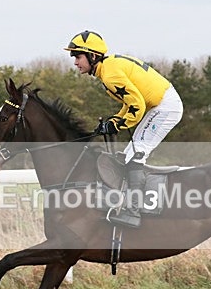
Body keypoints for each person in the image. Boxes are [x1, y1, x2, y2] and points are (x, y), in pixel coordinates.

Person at [64, 30, 184, 228]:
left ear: (92, 56)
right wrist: (113, 121)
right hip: (160, 106)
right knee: (128, 154)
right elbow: (129, 105)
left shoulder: (110, 74)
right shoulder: (107, 69)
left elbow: (137, 106)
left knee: (135, 156)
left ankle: (133, 211)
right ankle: (125, 203)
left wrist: (116, 124)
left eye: (78, 56)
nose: (75, 62)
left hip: (164, 107)